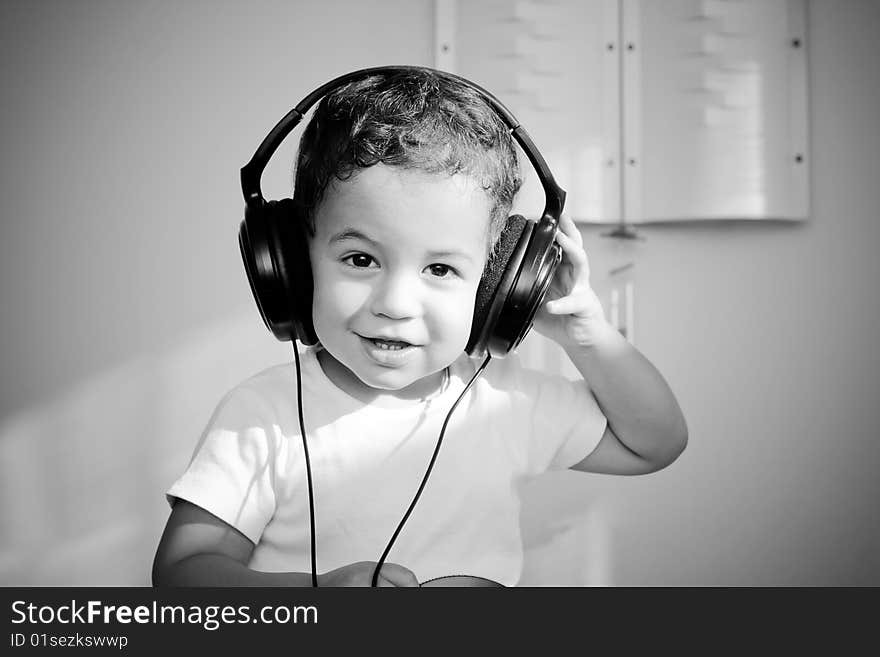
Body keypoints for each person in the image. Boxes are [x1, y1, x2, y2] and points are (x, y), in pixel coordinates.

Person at [152, 67, 687, 587]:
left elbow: (653, 444)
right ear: (293, 261)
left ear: (497, 285)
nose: (396, 304)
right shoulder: (261, 416)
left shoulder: (506, 402)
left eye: (440, 269)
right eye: (361, 260)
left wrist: (584, 332)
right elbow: (183, 572)